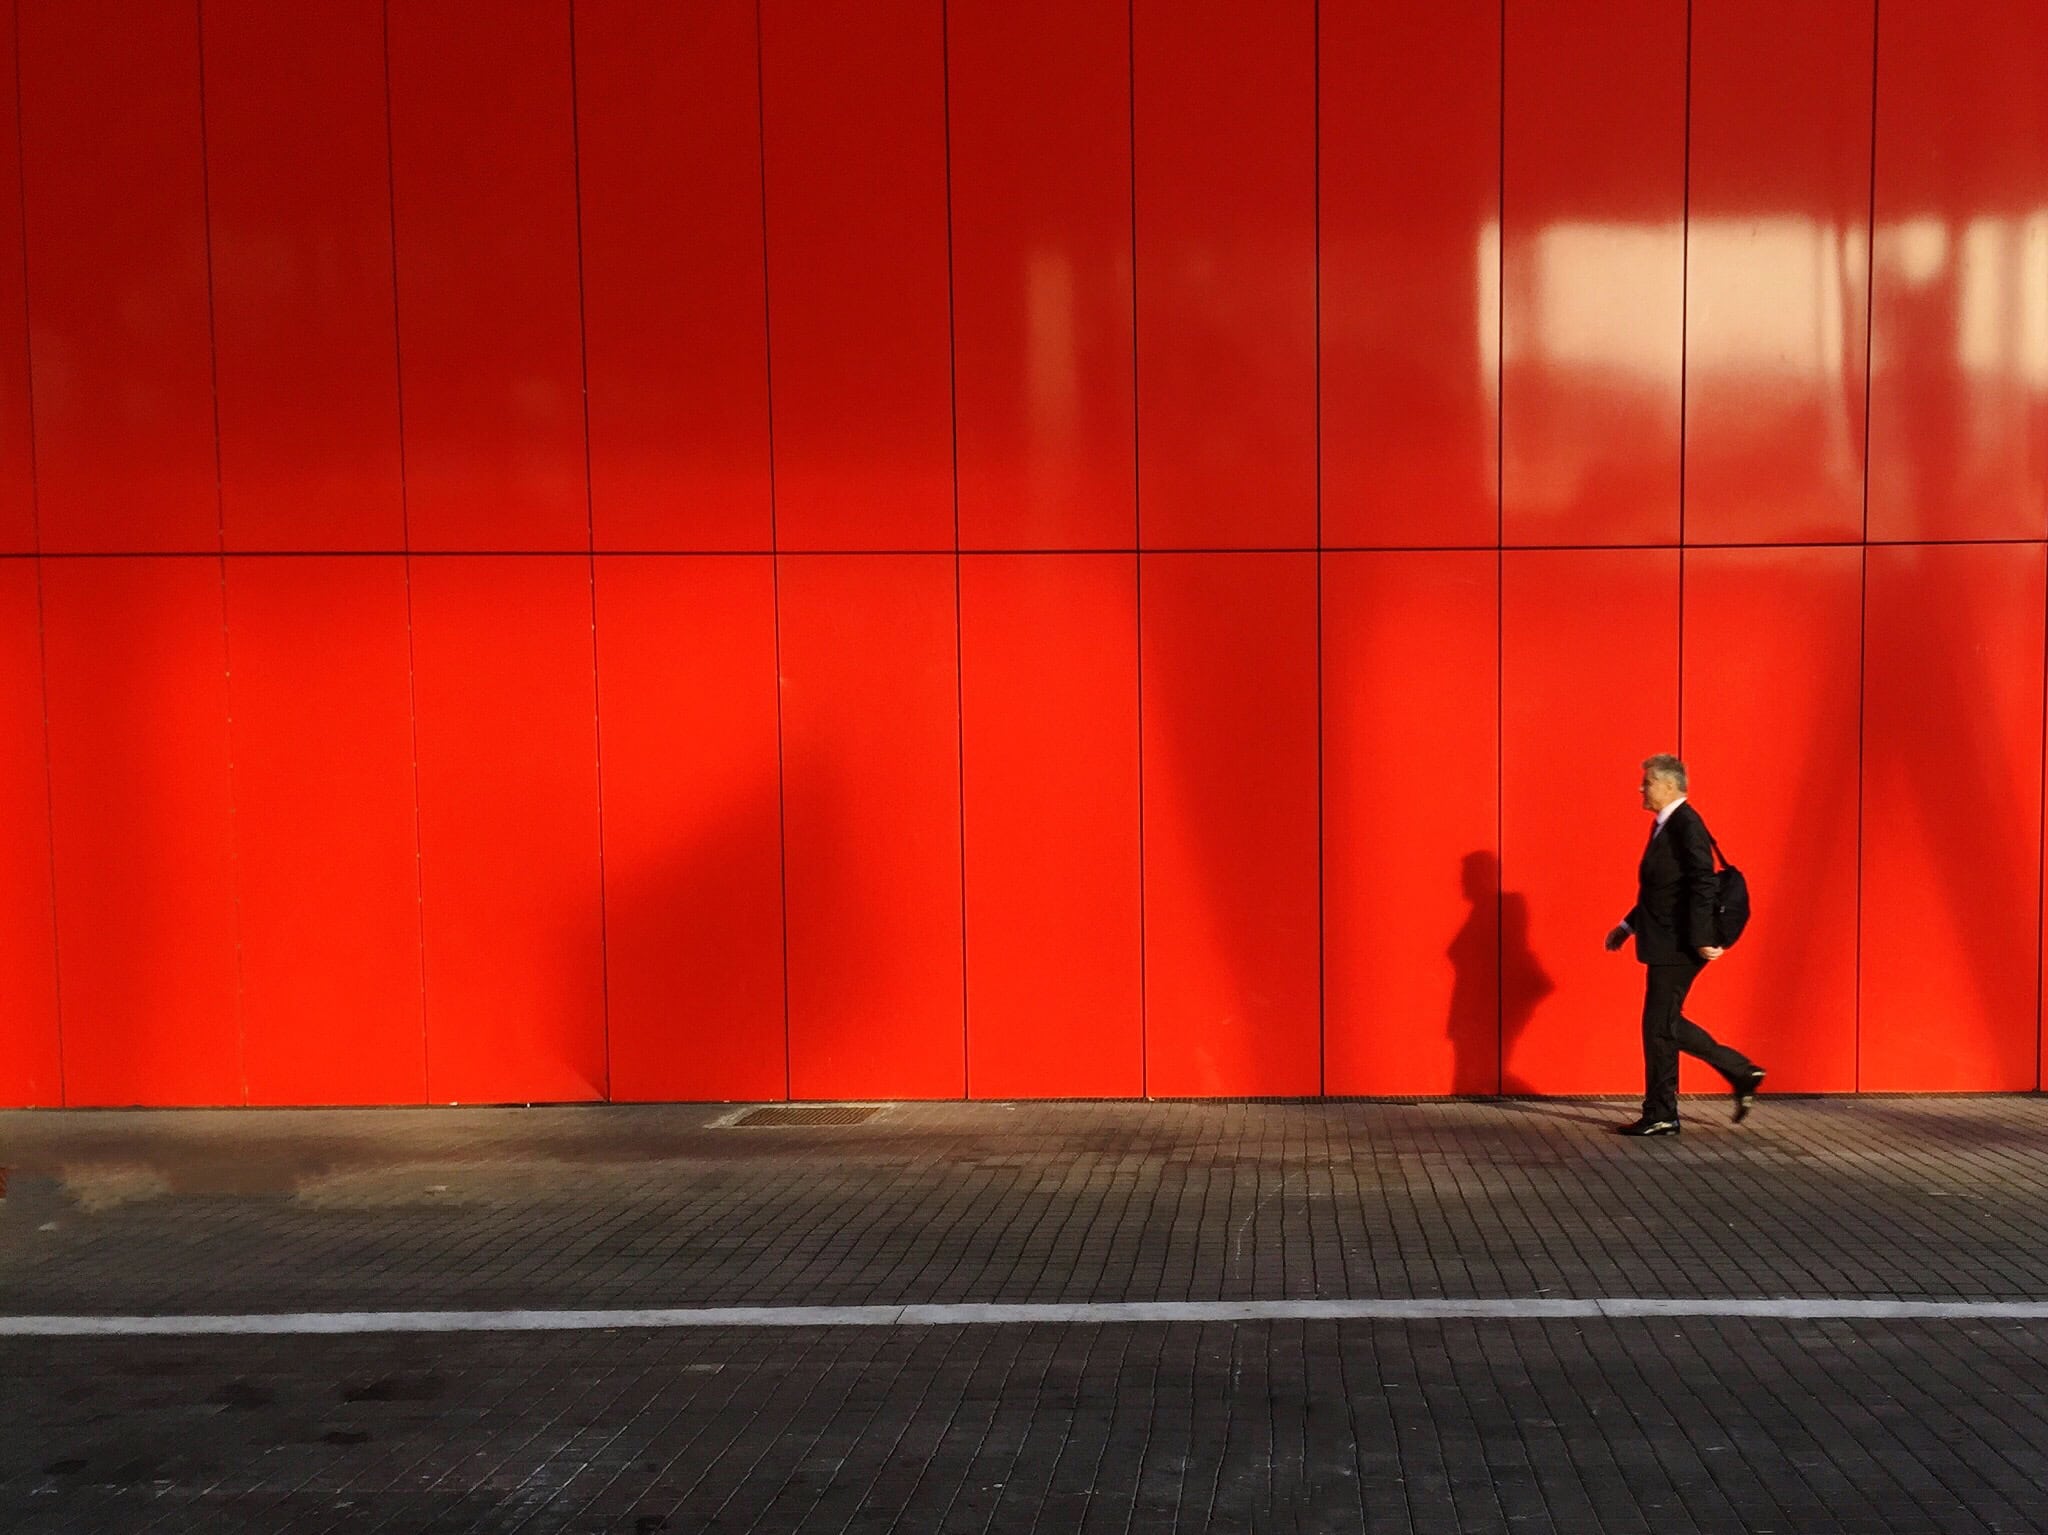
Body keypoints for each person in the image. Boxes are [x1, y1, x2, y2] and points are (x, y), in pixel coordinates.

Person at [1603, 754, 1764, 1136]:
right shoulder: (1666, 825)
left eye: (1647, 782)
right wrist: (1627, 926)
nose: (1641, 789)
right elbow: (1662, 889)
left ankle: (1662, 1111)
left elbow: (1702, 881)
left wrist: (1704, 937)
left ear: (1670, 786)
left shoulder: (1686, 824)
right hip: (1666, 940)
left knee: (1659, 1025)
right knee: (1662, 1024)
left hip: (1679, 945)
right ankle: (1736, 1074)